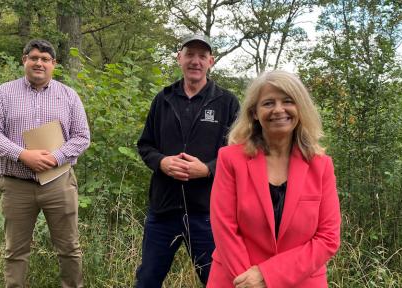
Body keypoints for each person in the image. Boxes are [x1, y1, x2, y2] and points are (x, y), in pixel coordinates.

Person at [207, 71, 341, 288]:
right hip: (236, 280)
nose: (279, 110)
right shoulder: (230, 158)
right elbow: (224, 228)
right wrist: (249, 282)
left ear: (300, 108)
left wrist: (268, 276)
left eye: (288, 101)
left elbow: (328, 238)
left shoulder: (321, 165)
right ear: (254, 113)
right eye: (268, 103)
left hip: (301, 281)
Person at [0, 39, 90, 288]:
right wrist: (23, 154)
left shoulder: (68, 96)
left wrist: (55, 157)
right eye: (34, 58)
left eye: (45, 59)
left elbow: (82, 137)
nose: (39, 63)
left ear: (54, 64)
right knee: (15, 251)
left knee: (69, 249)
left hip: (58, 183)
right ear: (24, 61)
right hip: (16, 185)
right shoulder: (5, 93)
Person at [136, 34, 240, 287]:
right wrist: (162, 162)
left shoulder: (227, 102)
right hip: (163, 210)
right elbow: (145, 145)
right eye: (190, 54)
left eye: (202, 56)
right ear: (179, 58)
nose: (196, 61)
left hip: (207, 212)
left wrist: (206, 169)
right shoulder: (163, 99)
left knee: (217, 281)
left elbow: (239, 152)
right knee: (147, 280)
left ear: (211, 61)